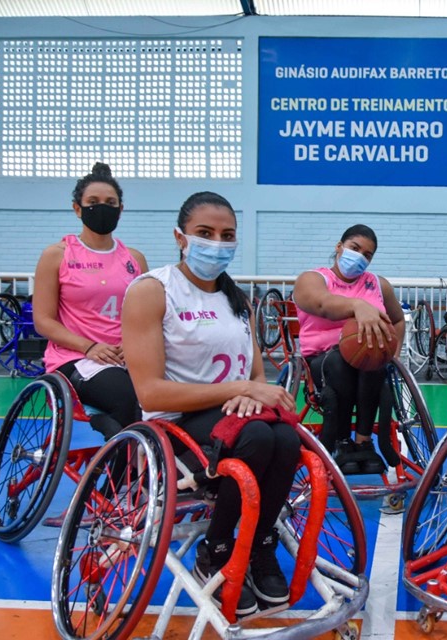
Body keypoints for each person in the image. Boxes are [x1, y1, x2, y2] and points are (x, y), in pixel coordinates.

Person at [122, 191, 300, 618]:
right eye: (205, 233)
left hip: (230, 421)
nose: (216, 242)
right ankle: (215, 551)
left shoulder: (237, 300)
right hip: (175, 432)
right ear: (180, 237)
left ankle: (258, 545)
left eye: (227, 235)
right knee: (257, 435)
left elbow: (255, 378)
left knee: (288, 440)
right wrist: (236, 390)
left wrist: (247, 391)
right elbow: (150, 393)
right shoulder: (152, 291)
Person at [33, 162, 148, 440]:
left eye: (110, 202)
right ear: (77, 208)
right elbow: (43, 321)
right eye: (93, 202)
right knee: (130, 398)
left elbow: (145, 317)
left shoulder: (135, 259)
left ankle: (150, 467)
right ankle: (117, 480)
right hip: (76, 357)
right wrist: (90, 347)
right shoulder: (57, 255)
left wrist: (132, 345)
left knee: (166, 394)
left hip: (125, 356)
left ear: (121, 209)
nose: (102, 207)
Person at [293, 224, 406, 475]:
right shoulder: (312, 278)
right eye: (355, 248)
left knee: (374, 355)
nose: (360, 257)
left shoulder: (378, 284)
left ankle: (363, 442)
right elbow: (322, 304)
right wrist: (357, 306)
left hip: (367, 361)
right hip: (323, 361)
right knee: (340, 361)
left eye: (367, 255)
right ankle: (342, 442)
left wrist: (392, 353)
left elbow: (397, 319)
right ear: (339, 247)